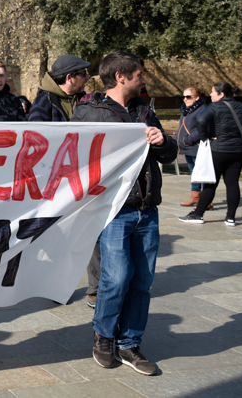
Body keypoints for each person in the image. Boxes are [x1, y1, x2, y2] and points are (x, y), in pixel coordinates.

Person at [70, 51, 176, 376]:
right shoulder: (89, 113)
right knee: (115, 278)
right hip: (115, 211)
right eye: (139, 74)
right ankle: (104, 337)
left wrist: (162, 141)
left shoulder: (145, 111)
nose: (144, 79)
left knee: (142, 281)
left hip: (147, 210)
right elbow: (70, 153)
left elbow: (169, 155)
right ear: (121, 77)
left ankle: (130, 343)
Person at [179, 82, 242, 226]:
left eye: (212, 92)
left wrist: (205, 137)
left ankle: (198, 214)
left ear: (221, 94)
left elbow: (201, 120)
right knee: (232, 183)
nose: (210, 95)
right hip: (237, 150)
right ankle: (230, 218)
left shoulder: (215, 107)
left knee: (211, 183)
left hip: (218, 150)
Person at [176, 87, 211, 208]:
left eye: (189, 96)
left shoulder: (202, 110)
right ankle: (195, 197)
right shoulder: (187, 110)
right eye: (184, 96)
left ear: (197, 98)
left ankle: (206, 200)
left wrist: (187, 140)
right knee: (194, 173)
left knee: (201, 173)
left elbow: (203, 129)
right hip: (188, 147)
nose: (185, 99)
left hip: (196, 146)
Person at [28, 54, 92, 122]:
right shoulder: (43, 103)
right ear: (69, 78)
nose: (87, 77)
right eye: (83, 73)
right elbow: (36, 131)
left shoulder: (84, 99)